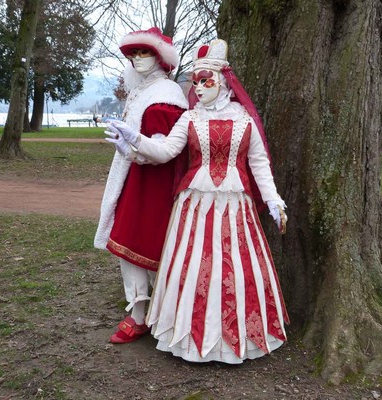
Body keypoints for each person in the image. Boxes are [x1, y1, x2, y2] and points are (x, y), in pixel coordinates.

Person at [106, 39, 289, 363]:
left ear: (224, 81)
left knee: (232, 269)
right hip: (194, 207)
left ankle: (234, 337)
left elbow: (259, 164)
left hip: (236, 206)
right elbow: (165, 151)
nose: (200, 87)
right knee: (194, 269)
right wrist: (133, 142)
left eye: (207, 80)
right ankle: (190, 336)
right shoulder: (190, 119)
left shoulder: (244, 119)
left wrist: (274, 201)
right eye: (196, 81)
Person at [94, 27, 188, 344]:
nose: (137, 59)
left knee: (137, 243)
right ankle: (142, 312)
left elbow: (164, 151)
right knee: (129, 244)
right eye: (133, 53)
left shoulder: (165, 97)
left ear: (160, 57)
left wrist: (131, 148)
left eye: (144, 52)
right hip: (137, 176)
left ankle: (147, 316)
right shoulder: (146, 91)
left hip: (154, 183)